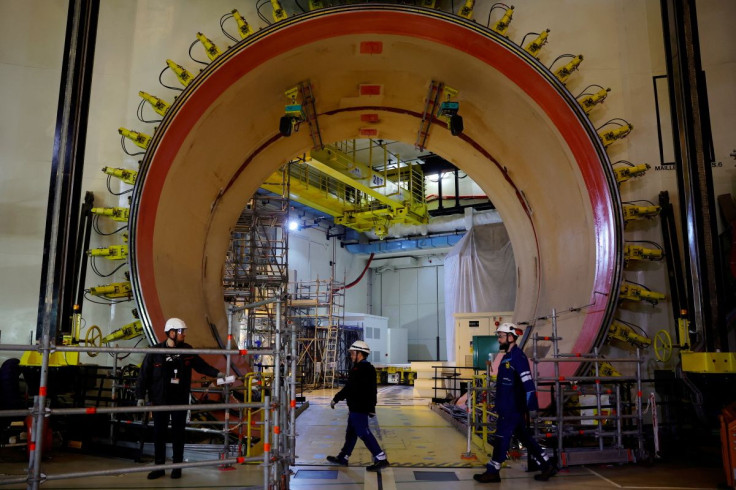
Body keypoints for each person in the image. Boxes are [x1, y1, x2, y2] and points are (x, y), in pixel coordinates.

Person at [135, 317, 224, 480]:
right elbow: (143, 376)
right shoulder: (155, 352)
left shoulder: (187, 351)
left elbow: (201, 365)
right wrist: (140, 396)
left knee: (178, 434)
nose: (184, 335)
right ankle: (159, 467)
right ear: (171, 333)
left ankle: (177, 467)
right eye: (182, 332)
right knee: (159, 434)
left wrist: (217, 373)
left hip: (179, 400)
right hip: (160, 400)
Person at [473, 322, 557, 483]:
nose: (499, 340)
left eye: (501, 336)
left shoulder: (518, 357)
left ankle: (493, 470)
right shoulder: (507, 357)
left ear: (511, 337)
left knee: (501, 438)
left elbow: (528, 382)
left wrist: (532, 407)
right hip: (507, 408)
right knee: (525, 438)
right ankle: (547, 465)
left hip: (512, 409)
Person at [326, 340, 389, 471]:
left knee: (363, 432)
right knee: (351, 433)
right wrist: (372, 407)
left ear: (359, 353)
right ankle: (343, 457)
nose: (351, 356)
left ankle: (381, 458)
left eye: (352, 353)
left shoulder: (360, 369)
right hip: (357, 407)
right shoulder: (366, 368)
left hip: (359, 407)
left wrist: (336, 398)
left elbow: (351, 388)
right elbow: (372, 390)